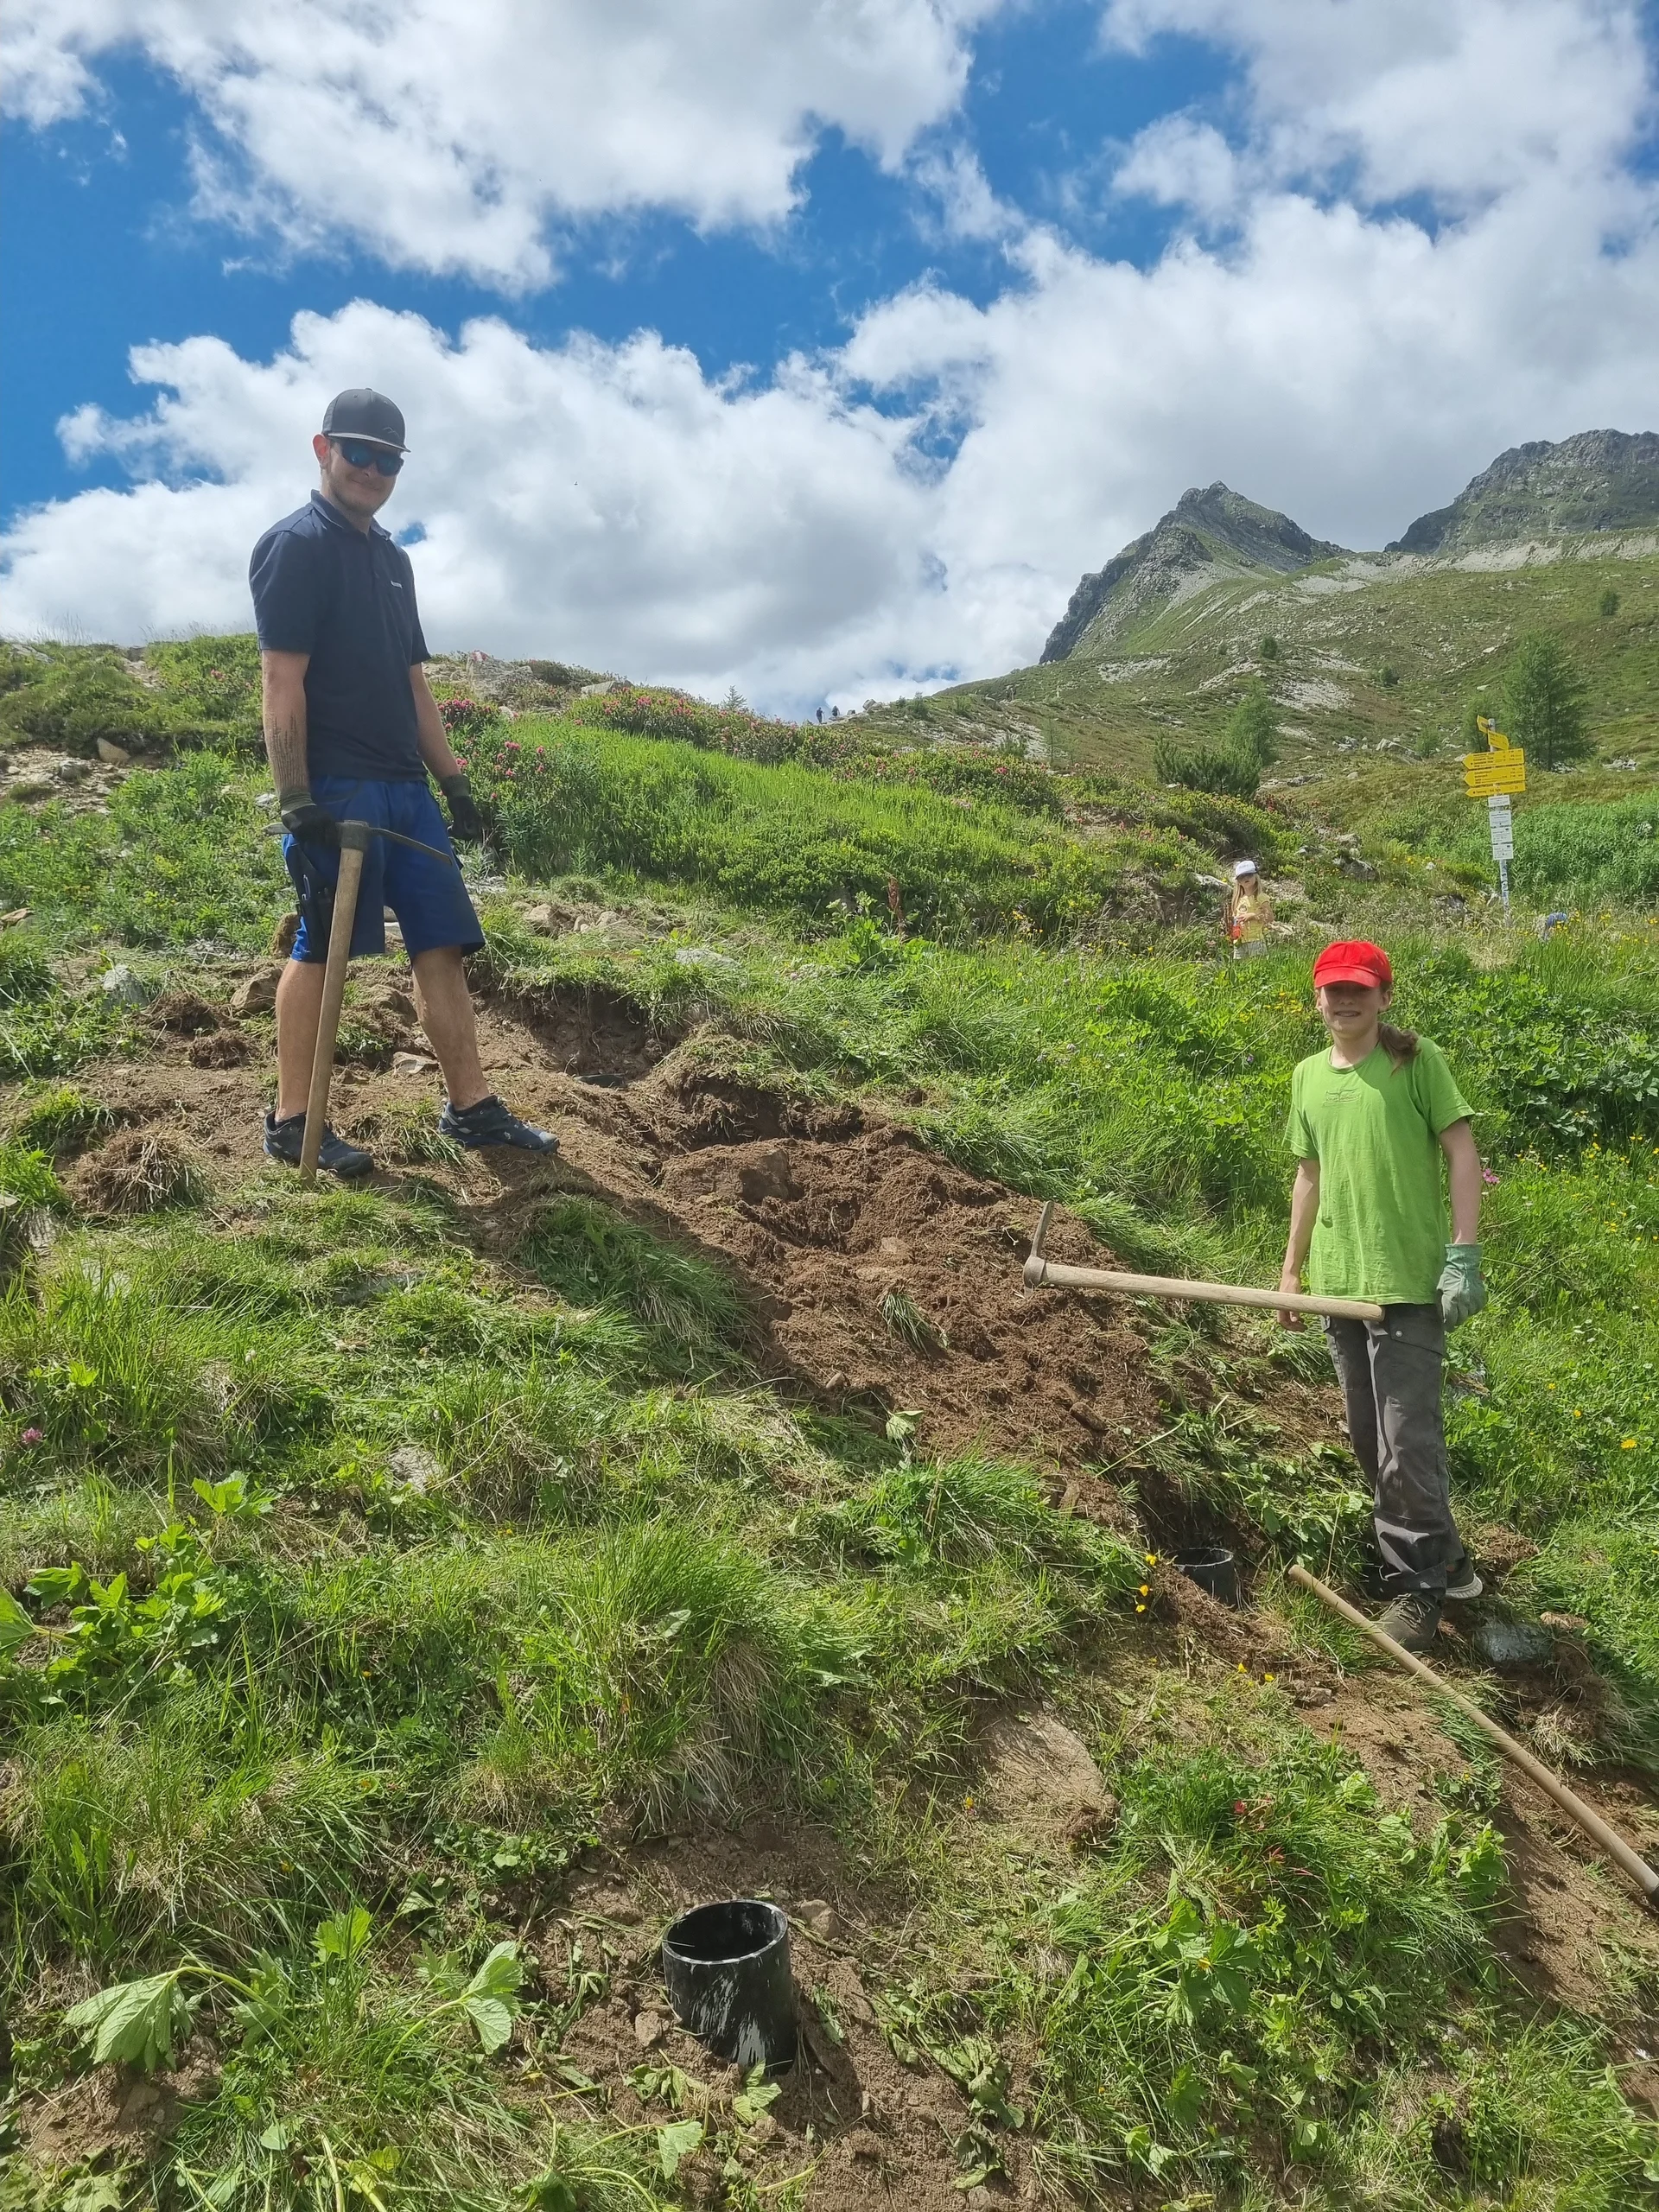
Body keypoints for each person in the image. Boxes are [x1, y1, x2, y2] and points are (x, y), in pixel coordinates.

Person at [249, 387, 556, 1177]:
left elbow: (414, 684)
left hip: (405, 789)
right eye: (359, 453)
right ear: (323, 450)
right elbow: (283, 679)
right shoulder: (295, 546)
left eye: (389, 460)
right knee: (324, 950)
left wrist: (454, 783)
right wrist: (296, 796)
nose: (374, 471)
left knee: (441, 944)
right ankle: (293, 1120)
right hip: (338, 786)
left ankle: (472, 1108)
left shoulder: (394, 560)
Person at [1278, 939, 1487, 1652]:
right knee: (1372, 1440)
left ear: (1383, 996)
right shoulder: (1307, 1077)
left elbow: (1462, 1149)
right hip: (1340, 1285)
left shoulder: (1413, 1061)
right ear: (1317, 999)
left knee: (1407, 1442)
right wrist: (1291, 1273)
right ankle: (1449, 1562)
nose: (1345, 1001)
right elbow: (1309, 1177)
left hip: (1404, 1284)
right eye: (1333, 990)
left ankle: (1418, 1590)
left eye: (1358, 990)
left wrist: (1462, 1253)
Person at [1224, 859, 1273, 959]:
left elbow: (1270, 917)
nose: (1246, 878)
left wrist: (1253, 916)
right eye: (1242, 877)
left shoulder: (1260, 897)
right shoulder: (1238, 899)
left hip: (1255, 940)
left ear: (1256, 876)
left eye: (1249, 875)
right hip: (1239, 940)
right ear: (1238, 882)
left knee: (1257, 967)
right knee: (1241, 970)